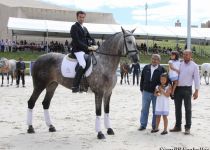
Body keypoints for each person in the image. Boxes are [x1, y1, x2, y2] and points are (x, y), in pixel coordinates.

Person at [170, 49, 200, 135]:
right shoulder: (179, 64)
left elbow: (197, 79)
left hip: (187, 89)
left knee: (188, 109)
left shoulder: (194, 66)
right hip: (178, 89)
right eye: (184, 54)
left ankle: (187, 128)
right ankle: (178, 126)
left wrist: (196, 91)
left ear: (190, 55)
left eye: (187, 54)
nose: (185, 56)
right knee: (177, 109)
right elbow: (173, 74)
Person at [70, 10, 98, 93]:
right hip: (77, 50)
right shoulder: (74, 27)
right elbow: (77, 41)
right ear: (77, 17)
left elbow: (90, 37)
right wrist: (88, 48)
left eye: (83, 17)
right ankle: (75, 86)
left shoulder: (84, 28)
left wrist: (95, 44)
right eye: (80, 17)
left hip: (85, 51)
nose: (81, 19)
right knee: (82, 64)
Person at [139, 54, 166, 131]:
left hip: (156, 93)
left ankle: (154, 125)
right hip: (146, 92)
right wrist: (142, 89)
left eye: (156, 59)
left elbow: (165, 81)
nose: (154, 60)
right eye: (153, 59)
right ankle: (143, 125)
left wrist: (161, 90)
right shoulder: (146, 68)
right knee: (144, 109)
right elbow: (142, 79)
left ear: (159, 61)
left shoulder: (162, 70)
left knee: (155, 110)